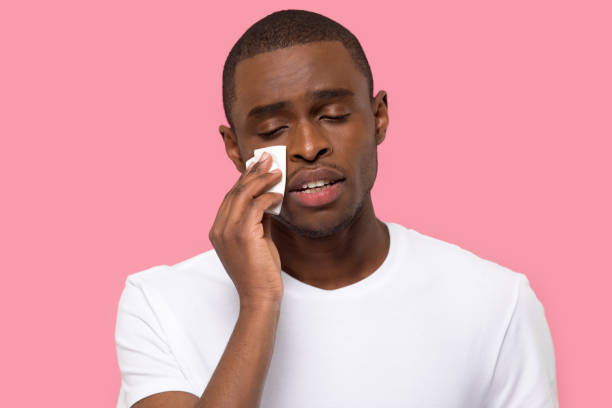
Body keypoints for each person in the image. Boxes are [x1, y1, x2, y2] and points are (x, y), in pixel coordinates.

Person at [115, 9, 558, 408]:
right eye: (273, 128)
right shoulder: (160, 303)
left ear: (378, 117)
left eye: (333, 114)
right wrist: (258, 301)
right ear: (236, 149)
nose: (309, 147)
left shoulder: (496, 301)